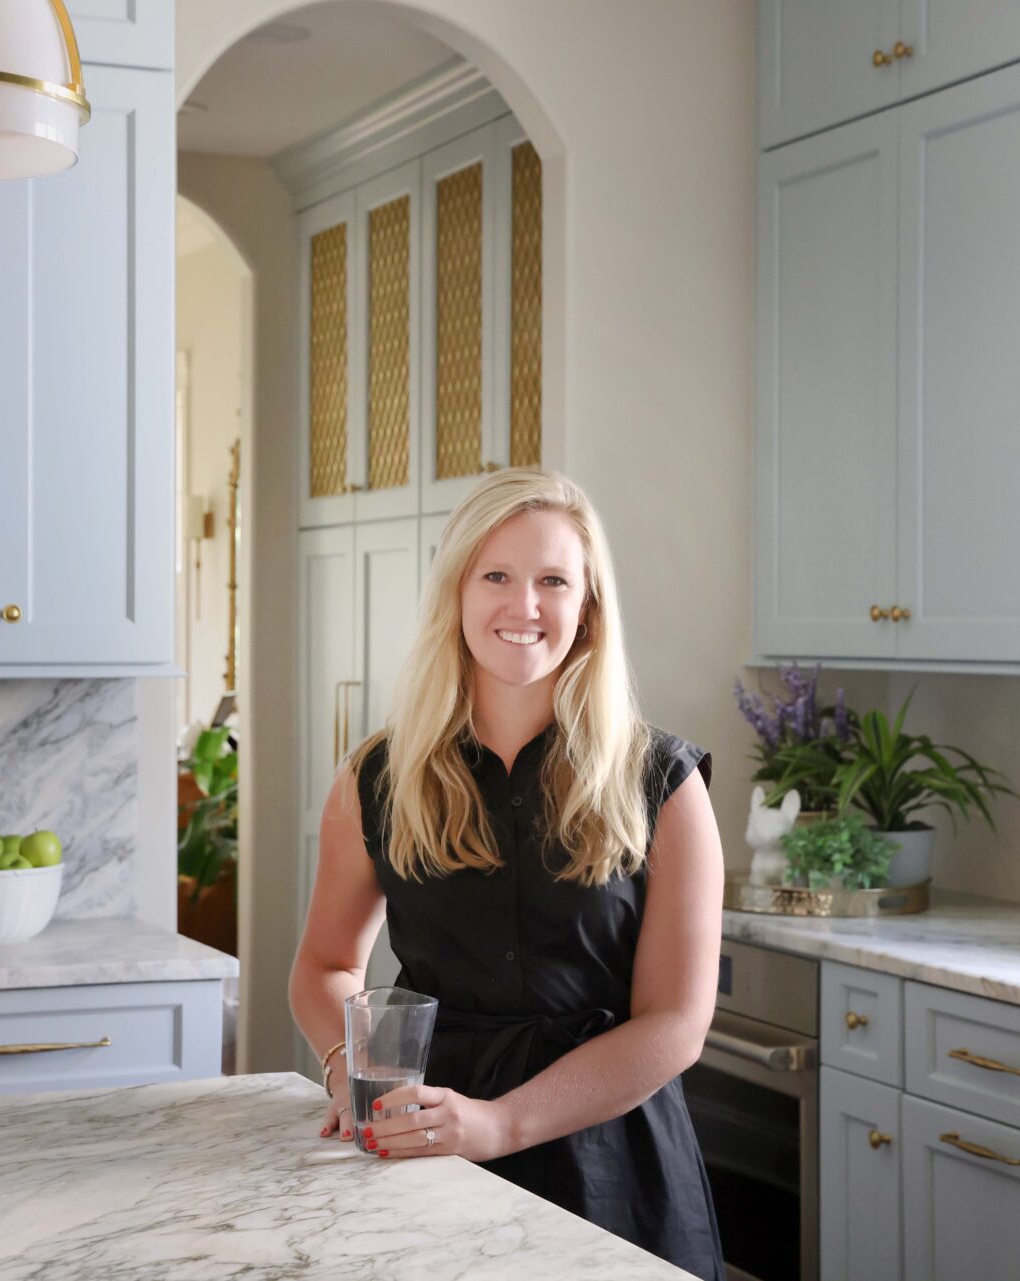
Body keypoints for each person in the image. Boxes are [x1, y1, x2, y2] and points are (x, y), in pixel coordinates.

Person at [289, 468, 726, 1280]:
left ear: (588, 607)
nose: (524, 606)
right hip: (423, 1150)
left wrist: (500, 1123)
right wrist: (344, 1069)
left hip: (613, 1166)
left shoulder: (663, 783)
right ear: (456, 593)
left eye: (553, 580)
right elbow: (324, 967)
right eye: (496, 575)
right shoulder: (376, 778)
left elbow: (675, 1023)